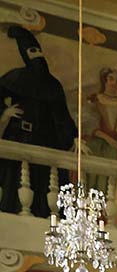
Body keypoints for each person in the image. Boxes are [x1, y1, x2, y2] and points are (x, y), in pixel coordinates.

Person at [0, 26, 77, 217]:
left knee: (42, 184)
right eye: (32, 52)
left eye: (39, 51)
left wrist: (73, 137)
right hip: (20, 136)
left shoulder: (52, 84)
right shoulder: (17, 76)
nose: (38, 56)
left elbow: (61, 115)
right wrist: (5, 112)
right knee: (15, 180)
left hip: (45, 140)